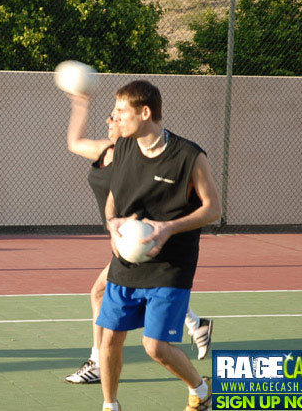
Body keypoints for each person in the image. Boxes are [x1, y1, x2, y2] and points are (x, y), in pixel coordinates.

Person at [63, 93, 213, 386]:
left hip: (142, 240)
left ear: (139, 118)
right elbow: (73, 142)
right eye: (111, 113)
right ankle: (194, 322)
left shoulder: (148, 155)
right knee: (109, 294)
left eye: (118, 113)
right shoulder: (107, 151)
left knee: (99, 292)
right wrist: (80, 102)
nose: (111, 119)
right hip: (124, 239)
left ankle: (97, 361)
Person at [96, 81, 221, 411]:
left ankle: (200, 389)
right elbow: (112, 199)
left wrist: (169, 228)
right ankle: (110, 405)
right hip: (127, 257)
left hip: (170, 263)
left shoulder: (188, 156)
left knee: (155, 347)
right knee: (109, 338)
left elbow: (213, 208)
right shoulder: (121, 147)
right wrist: (112, 224)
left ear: (145, 112)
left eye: (121, 111)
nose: (114, 118)